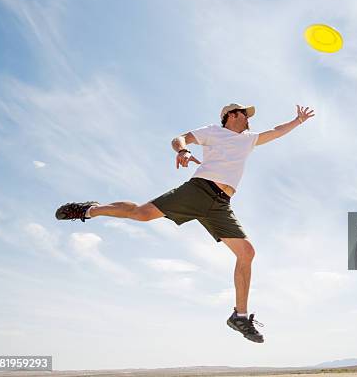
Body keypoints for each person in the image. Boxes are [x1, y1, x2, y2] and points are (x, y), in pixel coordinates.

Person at [55, 103, 315, 343]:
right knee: (141, 213)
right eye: (245, 114)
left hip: (220, 205)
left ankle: (240, 317)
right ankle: (90, 210)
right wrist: (183, 150)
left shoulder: (248, 140)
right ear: (232, 115)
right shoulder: (214, 131)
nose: (248, 119)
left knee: (247, 252)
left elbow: (276, 131)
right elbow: (179, 138)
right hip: (198, 190)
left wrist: (297, 121)